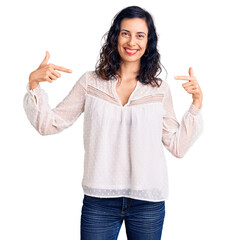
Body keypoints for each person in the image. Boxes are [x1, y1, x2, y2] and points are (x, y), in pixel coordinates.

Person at [23, 5, 204, 240]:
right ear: (115, 36)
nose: (132, 42)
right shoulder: (90, 83)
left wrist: (196, 103)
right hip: (99, 202)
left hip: (148, 203)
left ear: (148, 42)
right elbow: (49, 124)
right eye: (125, 33)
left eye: (140, 35)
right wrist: (34, 85)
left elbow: (177, 147)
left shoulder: (159, 90)